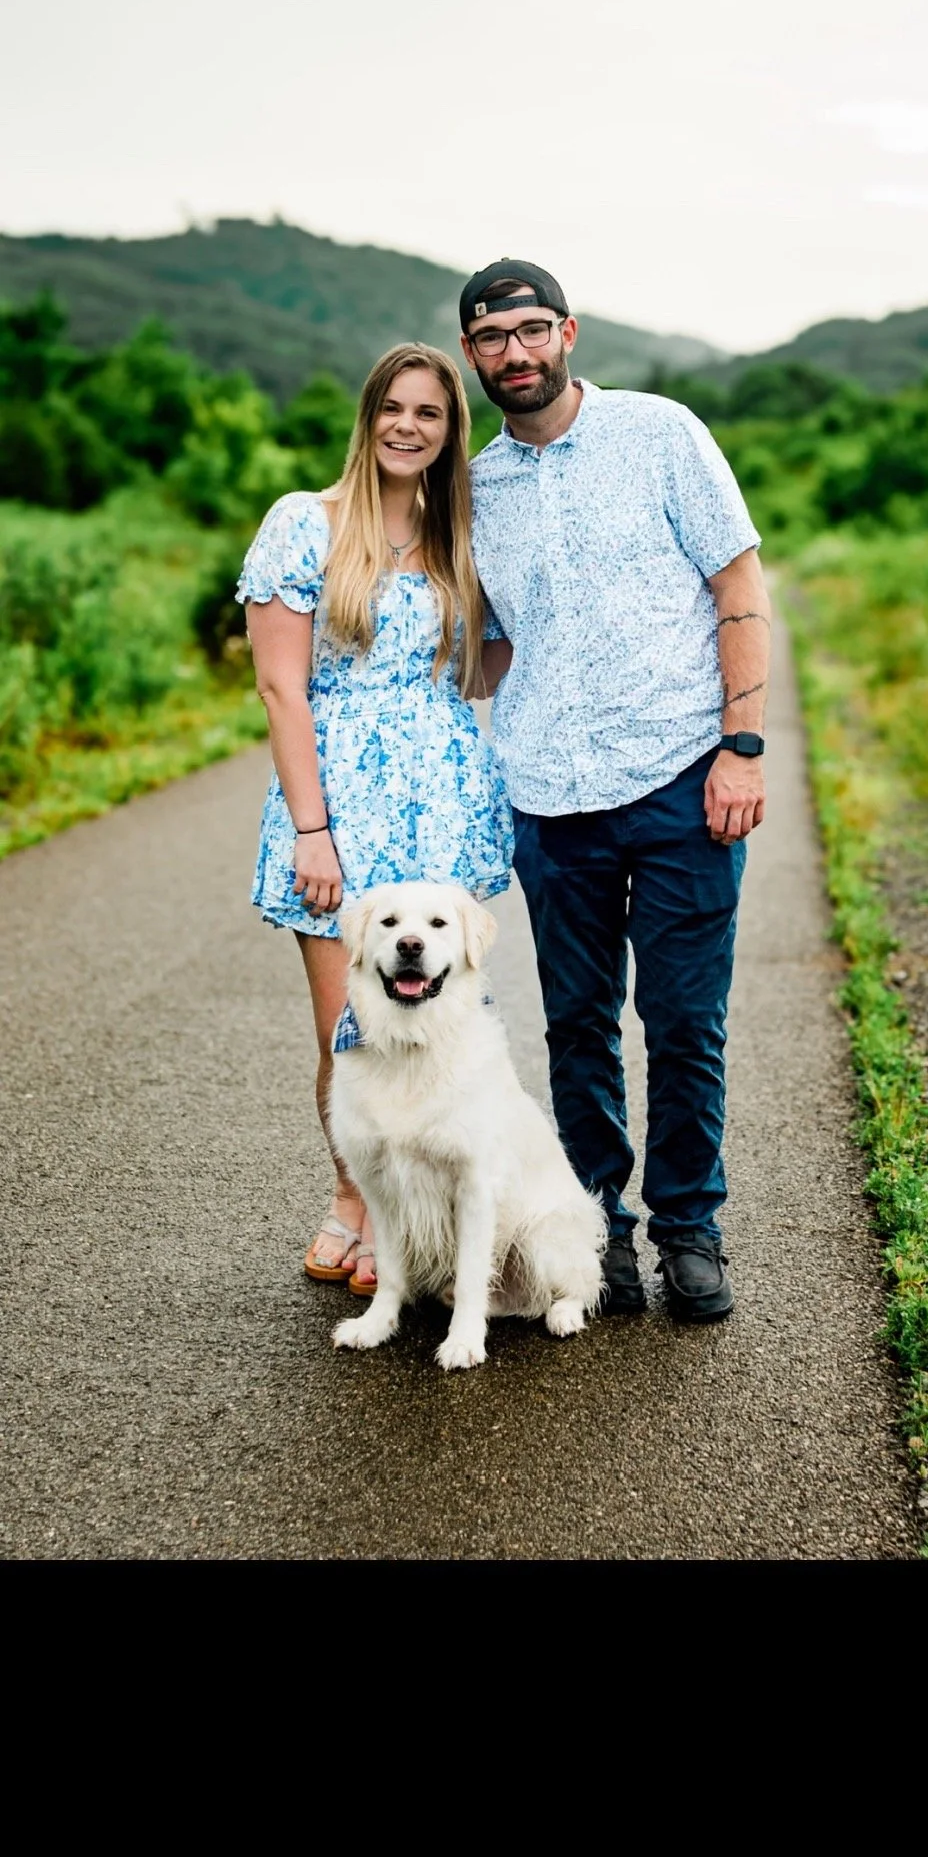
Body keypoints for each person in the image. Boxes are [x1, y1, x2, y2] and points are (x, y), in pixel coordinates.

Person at [461, 260, 770, 1322]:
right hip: (550, 798)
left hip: (684, 778)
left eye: (533, 330)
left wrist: (744, 745)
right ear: (472, 355)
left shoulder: (663, 434)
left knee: (684, 1021)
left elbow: (738, 586)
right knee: (577, 1024)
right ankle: (599, 1227)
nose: (517, 352)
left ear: (569, 333)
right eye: (494, 338)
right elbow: (490, 651)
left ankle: (690, 1224)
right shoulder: (475, 490)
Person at [237, 343, 512, 1294]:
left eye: (429, 414)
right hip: (339, 811)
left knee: (435, 1032)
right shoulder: (302, 525)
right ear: (369, 416)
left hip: (441, 809)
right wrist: (313, 831)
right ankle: (354, 1201)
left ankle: (426, 1228)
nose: (408, 426)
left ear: (449, 431)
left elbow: (482, 668)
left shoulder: (456, 540)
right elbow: (280, 688)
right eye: (394, 408)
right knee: (348, 1033)